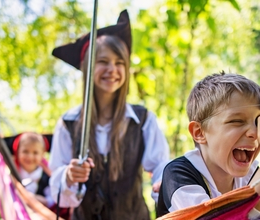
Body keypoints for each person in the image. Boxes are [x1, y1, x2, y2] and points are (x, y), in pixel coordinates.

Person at [48, 9, 170, 220]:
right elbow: (56, 188)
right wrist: (68, 177)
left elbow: (160, 166)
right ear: (88, 67)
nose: (112, 69)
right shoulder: (69, 123)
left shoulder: (143, 120)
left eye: (120, 63)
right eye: (103, 61)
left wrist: (164, 184)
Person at [157, 71, 260, 219]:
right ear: (199, 133)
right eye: (237, 121)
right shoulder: (178, 174)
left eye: (259, 122)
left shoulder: (251, 174)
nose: (254, 132)